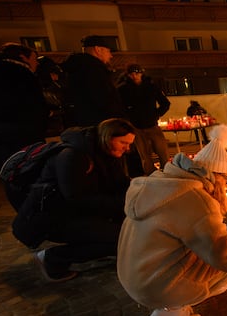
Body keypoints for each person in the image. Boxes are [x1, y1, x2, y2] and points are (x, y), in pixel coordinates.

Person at [117, 125, 227, 316]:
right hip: (154, 287)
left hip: (133, 278)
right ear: (215, 177)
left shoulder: (160, 183)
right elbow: (224, 253)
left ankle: (169, 305)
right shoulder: (196, 200)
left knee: (205, 251)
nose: (226, 188)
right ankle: (171, 311)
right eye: (226, 182)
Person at [12, 118, 136, 282]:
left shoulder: (107, 154)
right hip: (53, 217)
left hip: (78, 213)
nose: (127, 148)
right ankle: (53, 259)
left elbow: (120, 183)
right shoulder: (72, 156)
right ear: (108, 137)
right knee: (120, 237)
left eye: (129, 144)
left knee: (127, 230)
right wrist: (121, 204)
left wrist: (140, 191)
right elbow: (76, 198)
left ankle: (103, 246)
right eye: (123, 142)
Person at [0, 43, 48, 174]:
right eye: (34, 59)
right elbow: (35, 105)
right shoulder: (22, 74)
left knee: (6, 171)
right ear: (22, 57)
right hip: (22, 135)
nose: (36, 64)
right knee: (28, 171)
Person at [61, 35, 125, 128]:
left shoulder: (78, 68)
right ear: (98, 49)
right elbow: (103, 98)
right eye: (108, 51)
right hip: (99, 125)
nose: (111, 56)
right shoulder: (93, 70)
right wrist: (119, 119)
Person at [118, 64, 171, 175]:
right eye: (131, 74)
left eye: (137, 73)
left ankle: (168, 173)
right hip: (135, 127)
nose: (134, 76)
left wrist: (156, 114)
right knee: (144, 155)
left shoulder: (151, 87)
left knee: (163, 152)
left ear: (142, 73)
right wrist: (128, 118)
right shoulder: (123, 89)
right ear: (128, 75)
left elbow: (165, 103)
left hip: (152, 125)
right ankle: (152, 176)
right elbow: (119, 107)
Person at [36, 56, 66, 137]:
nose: (56, 77)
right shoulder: (46, 88)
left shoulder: (57, 85)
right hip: (52, 128)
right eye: (53, 74)